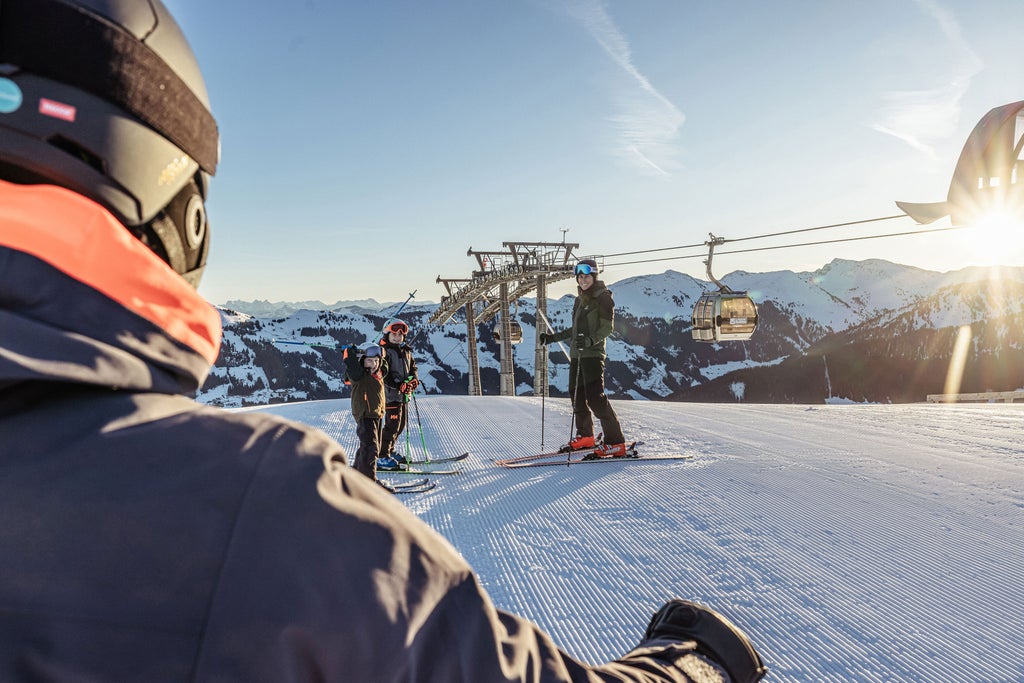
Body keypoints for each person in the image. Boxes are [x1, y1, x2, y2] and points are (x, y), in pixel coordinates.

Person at [0, 2, 766, 680]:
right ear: (181, 213)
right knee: (542, 397)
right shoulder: (263, 509)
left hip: (424, 390)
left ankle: (584, 435)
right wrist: (693, 667)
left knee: (555, 393)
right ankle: (567, 437)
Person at [541, 259, 629, 457]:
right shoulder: (580, 299)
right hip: (577, 355)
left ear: (594, 276)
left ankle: (616, 442)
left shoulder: (603, 297)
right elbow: (576, 330)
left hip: (592, 355)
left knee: (595, 399)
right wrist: (552, 338)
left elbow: (608, 328)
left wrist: (589, 341)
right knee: (576, 396)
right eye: (580, 277)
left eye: (586, 276)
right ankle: (586, 436)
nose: (583, 280)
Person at [343, 343, 391, 490]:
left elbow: (385, 366)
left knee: (367, 446)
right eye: (369, 361)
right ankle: (369, 483)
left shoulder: (378, 373)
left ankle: (356, 474)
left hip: (376, 413)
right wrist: (350, 353)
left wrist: (379, 357)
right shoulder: (359, 376)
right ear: (361, 360)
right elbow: (351, 366)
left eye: (376, 361)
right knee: (372, 448)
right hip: (365, 414)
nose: (374, 364)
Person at [376, 318, 420, 470]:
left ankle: (389, 450)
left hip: (403, 395)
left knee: (400, 426)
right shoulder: (385, 352)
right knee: (391, 427)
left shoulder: (405, 350)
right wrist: (398, 385)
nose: (397, 337)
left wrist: (413, 380)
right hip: (390, 396)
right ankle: (381, 456)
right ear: (386, 334)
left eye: (400, 334)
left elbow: (413, 368)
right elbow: (383, 375)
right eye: (393, 334)